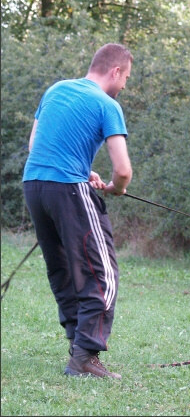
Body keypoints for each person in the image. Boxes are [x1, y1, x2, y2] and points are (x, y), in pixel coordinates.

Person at [22, 43, 134, 379]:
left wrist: (86, 171)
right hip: (69, 190)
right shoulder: (107, 105)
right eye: (126, 77)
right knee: (102, 275)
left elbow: (35, 145)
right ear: (115, 71)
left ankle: (77, 346)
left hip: (35, 185)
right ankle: (85, 357)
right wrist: (117, 188)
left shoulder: (56, 90)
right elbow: (123, 170)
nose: (125, 85)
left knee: (63, 270)